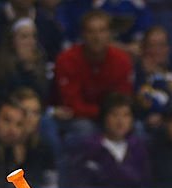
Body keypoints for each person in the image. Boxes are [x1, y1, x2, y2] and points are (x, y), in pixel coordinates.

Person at [53, 9, 134, 144]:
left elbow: (123, 100)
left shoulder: (122, 60)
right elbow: (73, 106)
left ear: (109, 34)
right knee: (85, 129)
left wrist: (112, 117)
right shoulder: (67, 59)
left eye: (102, 31)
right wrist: (106, 114)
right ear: (83, 34)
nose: (97, 37)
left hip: (111, 116)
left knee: (135, 128)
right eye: (91, 31)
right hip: (77, 118)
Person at [69, 92, 150, 188]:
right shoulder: (88, 148)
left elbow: (145, 183)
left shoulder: (139, 149)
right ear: (105, 117)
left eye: (126, 115)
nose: (120, 121)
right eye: (114, 115)